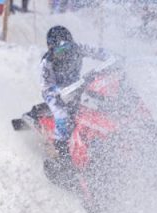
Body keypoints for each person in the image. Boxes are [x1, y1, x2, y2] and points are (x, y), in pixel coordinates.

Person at [40, 26, 110, 162]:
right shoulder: (47, 62)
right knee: (62, 115)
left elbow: (98, 52)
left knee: (96, 103)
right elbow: (46, 86)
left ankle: (99, 136)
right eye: (60, 50)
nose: (65, 54)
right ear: (51, 48)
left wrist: (113, 57)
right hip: (54, 93)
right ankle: (61, 151)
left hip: (77, 87)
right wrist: (60, 91)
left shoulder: (78, 48)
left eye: (68, 48)